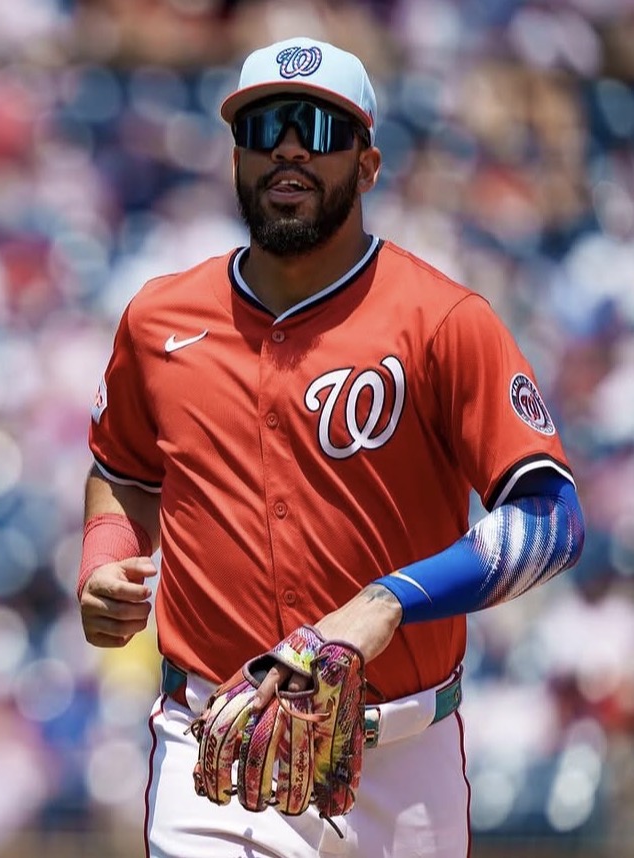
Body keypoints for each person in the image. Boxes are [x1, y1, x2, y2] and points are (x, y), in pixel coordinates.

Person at [77, 37, 586, 858]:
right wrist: (105, 557)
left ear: (368, 164)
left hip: (403, 758)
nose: (288, 148)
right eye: (264, 126)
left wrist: (387, 602)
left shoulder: (443, 320)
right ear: (236, 158)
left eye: (318, 129)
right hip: (217, 745)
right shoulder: (158, 319)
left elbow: (551, 520)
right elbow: (122, 472)